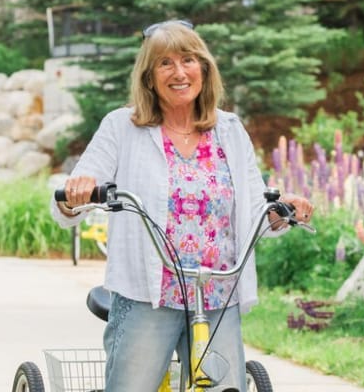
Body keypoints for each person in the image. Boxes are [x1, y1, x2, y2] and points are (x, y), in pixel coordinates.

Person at [50, 20, 313, 391]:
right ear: (148, 76)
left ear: (204, 69)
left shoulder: (229, 129)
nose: (179, 72)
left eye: (188, 60)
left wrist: (283, 208)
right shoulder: (122, 128)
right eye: (165, 63)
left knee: (222, 387)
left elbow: (256, 209)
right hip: (148, 296)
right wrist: (75, 194)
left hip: (217, 295)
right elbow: (68, 201)